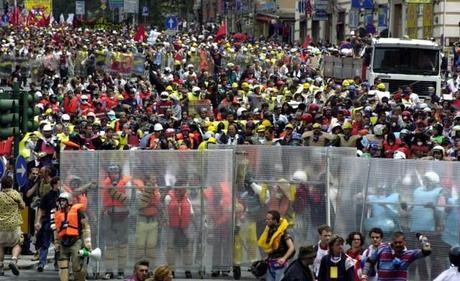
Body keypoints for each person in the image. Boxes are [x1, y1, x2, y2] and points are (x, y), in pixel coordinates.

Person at [361, 231, 432, 281]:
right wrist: (364, 275)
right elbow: (370, 261)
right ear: (392, 241)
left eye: (400, 242)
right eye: (395, 242)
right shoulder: (382, 248)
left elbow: (427, 250)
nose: (398, 244)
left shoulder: (409, 254)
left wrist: (423, 239)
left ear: (404, 242)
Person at [53, 192, 92, 281]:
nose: (61, 203)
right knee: (63, 265)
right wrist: (56, 242)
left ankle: (81, 279)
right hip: (63, 242)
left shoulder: (78, 211)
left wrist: (88, 242)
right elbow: (56, 229)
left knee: (76, 266)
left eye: (63, 201)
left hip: (75, 241)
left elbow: (85, 226)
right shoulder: (58, 214)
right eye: (60, 201)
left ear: (69, 201)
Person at [257, 210, 295, 281]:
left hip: (280, 265)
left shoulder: (283, 232)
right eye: (266, 219)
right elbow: (272, 247)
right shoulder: (269, 231)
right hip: (270, 263)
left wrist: (284, 258)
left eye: (268, 219)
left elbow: (291, 247)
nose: (266, 221)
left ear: (275, 220)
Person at [0, 176, 25, 276]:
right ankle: (14, 260)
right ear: (11, 184)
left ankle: (1, 266)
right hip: (14, 225)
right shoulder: (16, 194)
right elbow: (23, 206)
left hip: (1, 225)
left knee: (0, 245)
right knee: (17, 243)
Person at [35, 176, 60, 272]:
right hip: (48, 222)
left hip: (58, 223)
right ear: (54, 184)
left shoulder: (62, 195)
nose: (60, 185)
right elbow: (41, 209)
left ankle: (57, 263)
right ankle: (41, 263)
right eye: (59, 183)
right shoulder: (47, 196)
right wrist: (38, 221)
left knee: (58, 245)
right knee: (45, 243)